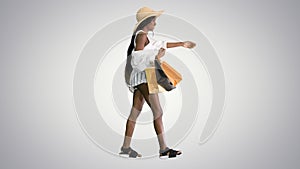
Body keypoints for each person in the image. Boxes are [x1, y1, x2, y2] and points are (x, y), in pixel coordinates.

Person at [121, 7, 196, 159]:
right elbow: (136, 58)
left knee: (135, 113)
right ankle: (163, 149)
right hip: (145, 76)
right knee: (158, 111)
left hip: (144, 76)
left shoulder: (145, 36)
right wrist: (156, 57)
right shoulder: (141, 36)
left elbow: (161, 44)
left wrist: (182, 44)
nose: (155, 23)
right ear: (147, 22)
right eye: (154, 20)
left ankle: (125, 147)